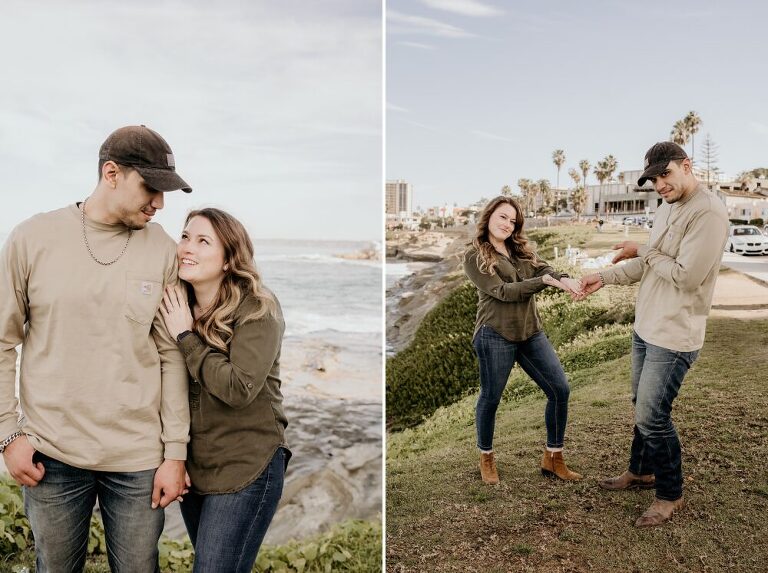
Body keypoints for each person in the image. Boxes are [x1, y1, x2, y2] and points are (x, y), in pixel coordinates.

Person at [0, 125, 192, 571]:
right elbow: (2, 341)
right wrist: (7, 434)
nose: (159, 203)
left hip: (138, 459)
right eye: (150, 188)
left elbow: (171, 356)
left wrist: (175, 454)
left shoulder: (163, 249)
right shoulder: (32, 238)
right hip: (51, 454)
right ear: (111, 174)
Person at [575, 141, 728, 527]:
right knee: (641, 405)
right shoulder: (666, 207)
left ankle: (670, 494)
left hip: (674, 334)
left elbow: (685, 276)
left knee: (652, 415)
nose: (660, 185)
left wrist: (644, 250)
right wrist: (602, 277)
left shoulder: (708, 212)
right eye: (654, 179)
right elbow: (648, 265)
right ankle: (641, 472)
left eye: (665, 174)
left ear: (686, 166)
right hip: (646, 326)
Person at [160, 208, 289, 572]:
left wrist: (186, 336)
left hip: (247, 467)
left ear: (229, 259)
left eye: (204, 241)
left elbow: (238, 388)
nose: (188, 247)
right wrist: (174, 456)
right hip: (196, 468)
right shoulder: (177, 303)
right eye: (185, 237)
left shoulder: (258, 308)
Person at [463, 196, 583, 485]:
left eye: (513, 221)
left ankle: (553, 458)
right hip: (495, 334)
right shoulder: (474, 255)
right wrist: (542, 282)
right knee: (491, 398)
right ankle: (486, 457)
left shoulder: (521, 250)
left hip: (530, 332)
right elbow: (503, 292)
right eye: (502, 217)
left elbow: (544, 269)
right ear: (489, 216)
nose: (507, 224)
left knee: (560, 390)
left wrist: (563, 279)